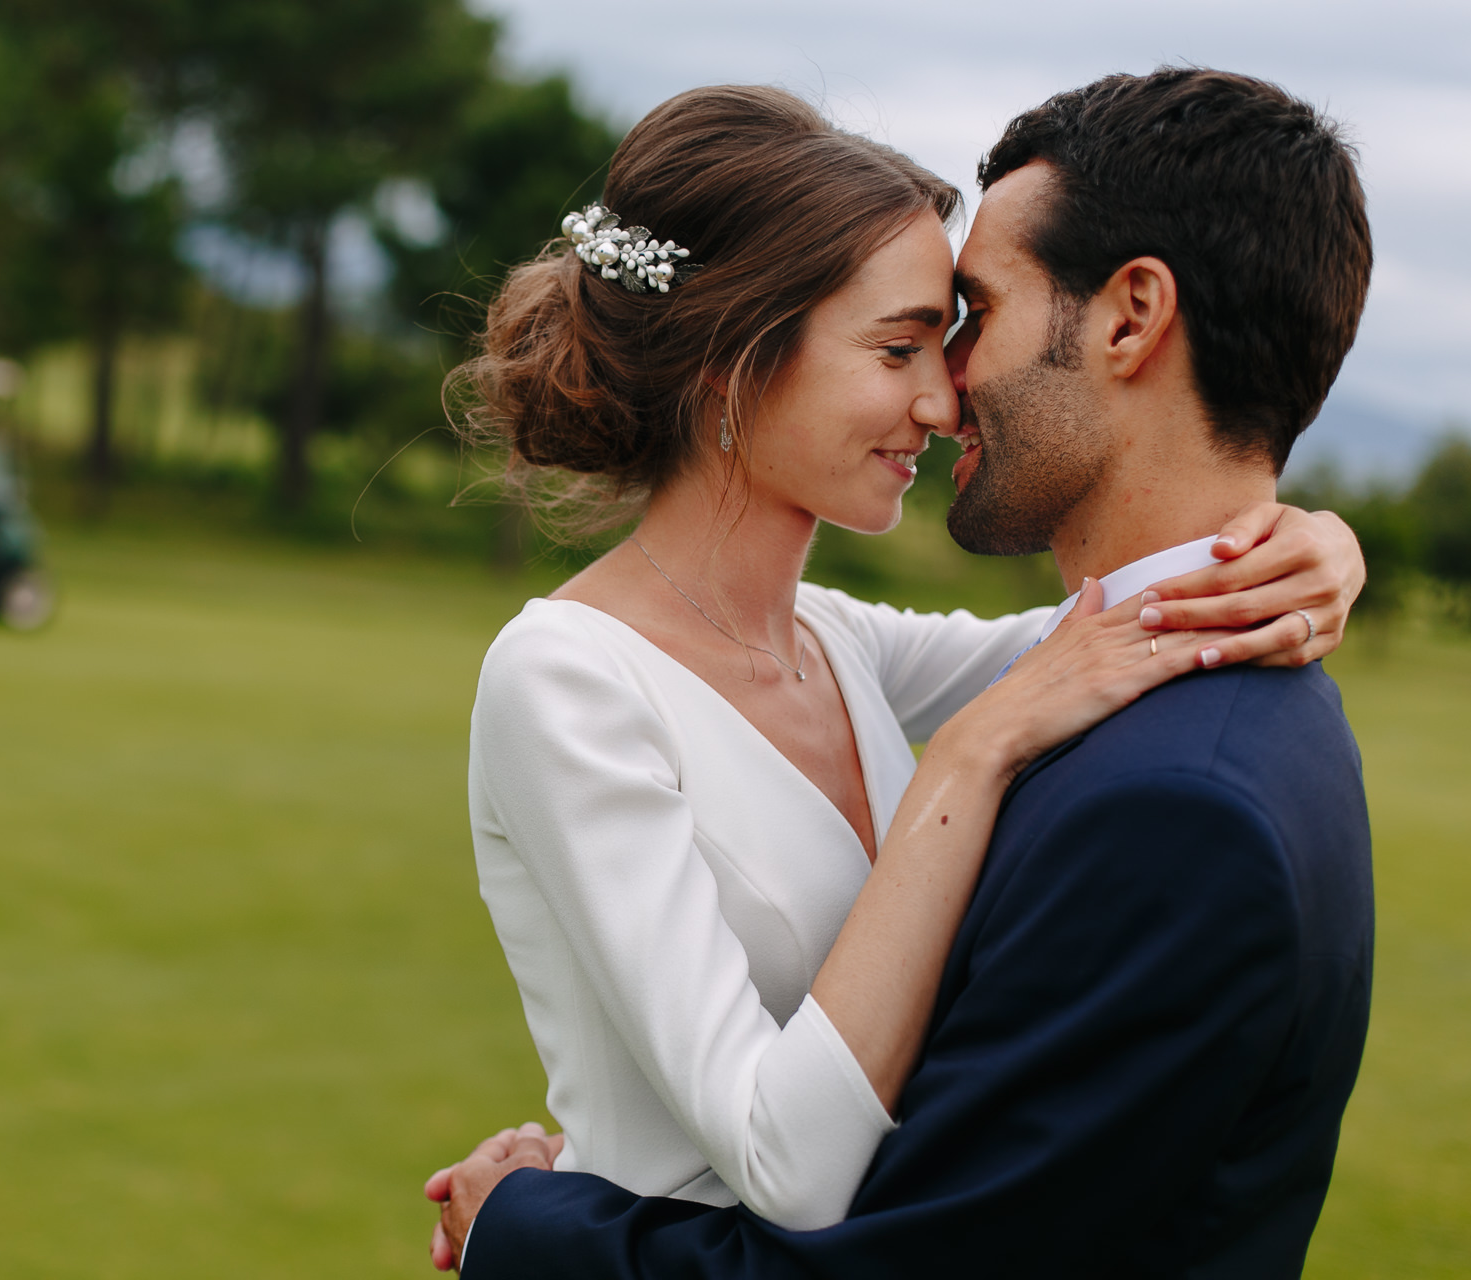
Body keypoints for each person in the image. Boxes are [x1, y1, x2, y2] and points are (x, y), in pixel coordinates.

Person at [430, 69, 1374, 1279]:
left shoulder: (841, 642)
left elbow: (1135, 622)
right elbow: (787, 1159)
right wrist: (971, 756)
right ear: (735, 359)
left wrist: (1310, 543)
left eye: (957, 330)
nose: (943, 398)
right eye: (901, 347)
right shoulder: (565, 677)